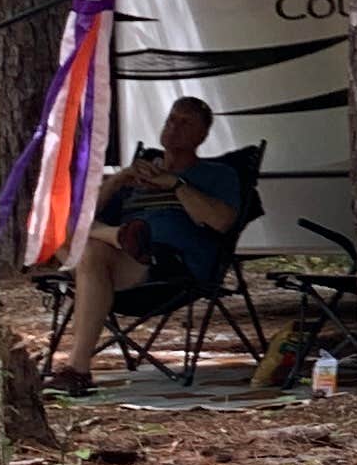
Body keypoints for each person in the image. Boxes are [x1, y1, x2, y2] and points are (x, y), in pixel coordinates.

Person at [46, 95, 249, 390]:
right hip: (113, 258)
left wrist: (176, 185)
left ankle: (77, 369)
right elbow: (83, 214)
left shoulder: (218, 174)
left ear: (203, 135)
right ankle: (118, 236)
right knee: (65, 222)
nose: (174, 127)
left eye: (185, 122)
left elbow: (221, 221)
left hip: (167, 266)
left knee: (89, 248)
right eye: (172, 119)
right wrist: (119, 180)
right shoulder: (141, 174)